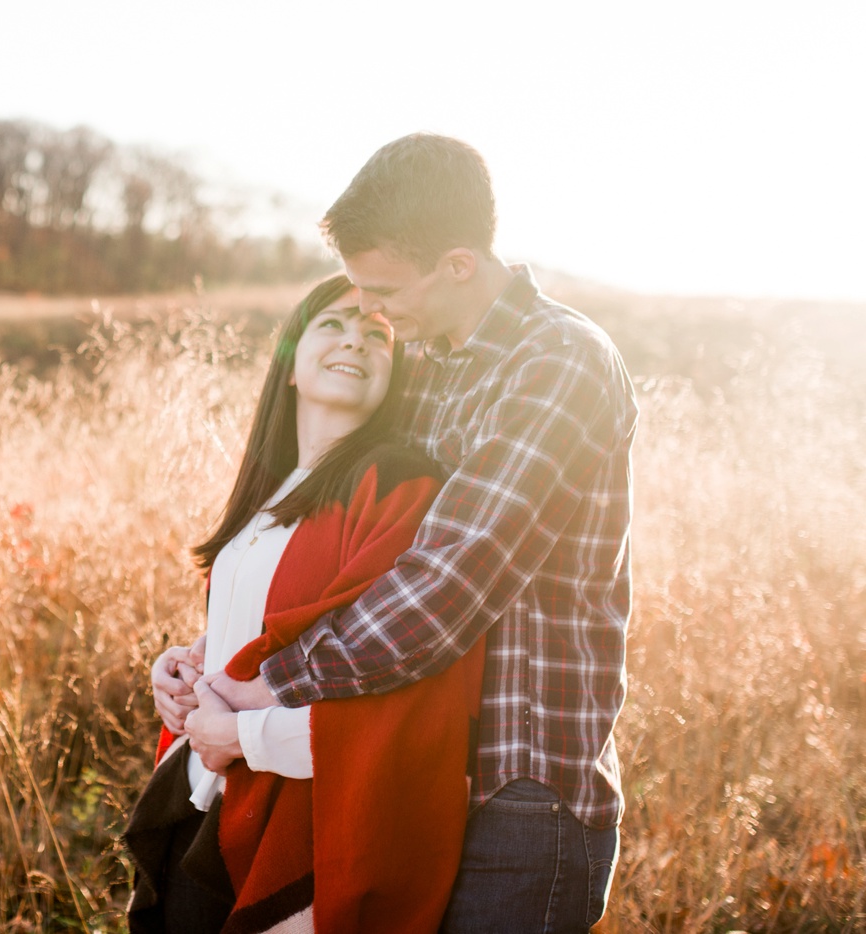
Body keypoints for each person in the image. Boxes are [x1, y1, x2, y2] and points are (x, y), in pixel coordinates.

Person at [172, 134, 638, 932]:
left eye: (384, 290)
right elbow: (337, 559)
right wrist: (204, 662)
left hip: (518, 793)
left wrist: (261, 691)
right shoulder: (430, 367)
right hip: (410, 786)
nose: (374, 313)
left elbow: (450, 581)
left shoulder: (559, 363)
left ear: (459, 264)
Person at [127, 275, 485, 934]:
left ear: (392, 374)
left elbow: (400, 691)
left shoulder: (397, 492)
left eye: (378, 334)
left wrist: (243, 735)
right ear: (290, 362)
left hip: (297, 829)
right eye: (333, 324)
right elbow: (257, 639)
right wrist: (181, 671)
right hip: (199, 809)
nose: (356, 339)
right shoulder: (269, 496)